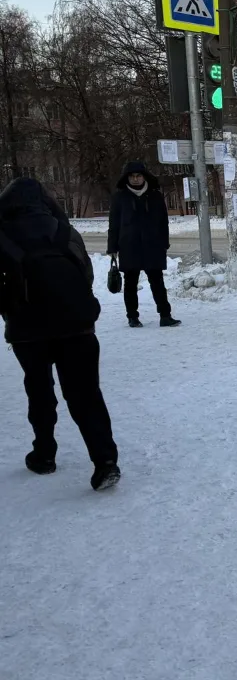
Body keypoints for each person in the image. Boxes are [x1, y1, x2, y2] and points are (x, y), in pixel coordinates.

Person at [0, 179, 119, 490]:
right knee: (86, 394)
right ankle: (105, 461)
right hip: (77, 326)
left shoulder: (3, 234)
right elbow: (85, 273)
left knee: (39, 390)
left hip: (28, 330)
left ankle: (44, 454)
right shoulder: (65, 231)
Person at [108, 161, 179, 328]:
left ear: (144, 176)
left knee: (157, 282)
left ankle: (165, 315)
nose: (135, 179)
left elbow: (163, 222)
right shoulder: (120, 197)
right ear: (127, 178)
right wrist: (112, 248)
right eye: (132, 176)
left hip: (153, 245)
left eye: (138, 176)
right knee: (130, 283)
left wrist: (164, 243)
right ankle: (132, 317)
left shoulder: (155, 196)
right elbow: (114, 224)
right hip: (129, 246)